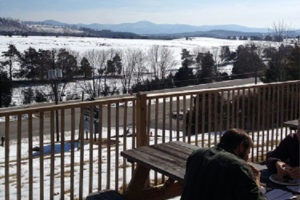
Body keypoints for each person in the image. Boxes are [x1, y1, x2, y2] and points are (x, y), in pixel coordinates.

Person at [181, 128, 266, 200]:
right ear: (241, 146)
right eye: (248, 153)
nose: (247, 159)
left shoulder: (196, 154)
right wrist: (256, 181)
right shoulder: (238, 166)